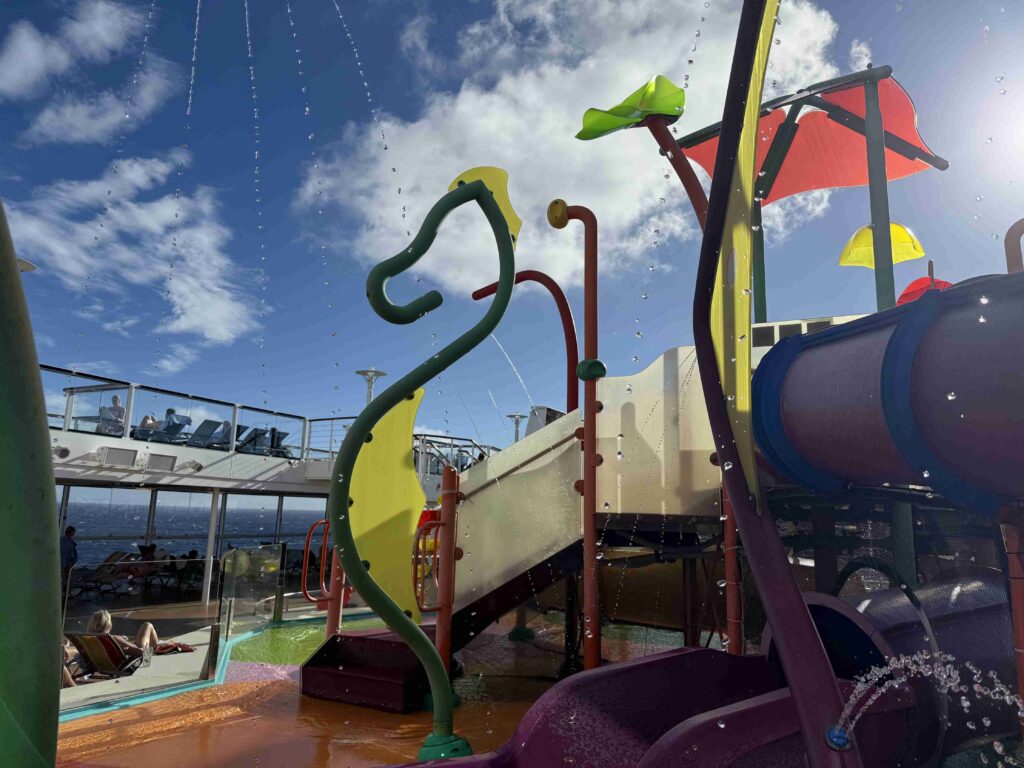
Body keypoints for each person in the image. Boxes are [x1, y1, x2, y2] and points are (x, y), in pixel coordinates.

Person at [87, 610, 159, 659]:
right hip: (134, 659)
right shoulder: (114, 639)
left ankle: (157, 648)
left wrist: (123, 642)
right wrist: (127, 645)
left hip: (106, 663)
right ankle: (157, 649)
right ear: (108, 624)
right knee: (147, 625)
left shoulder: (88, 640)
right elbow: (140, 652)